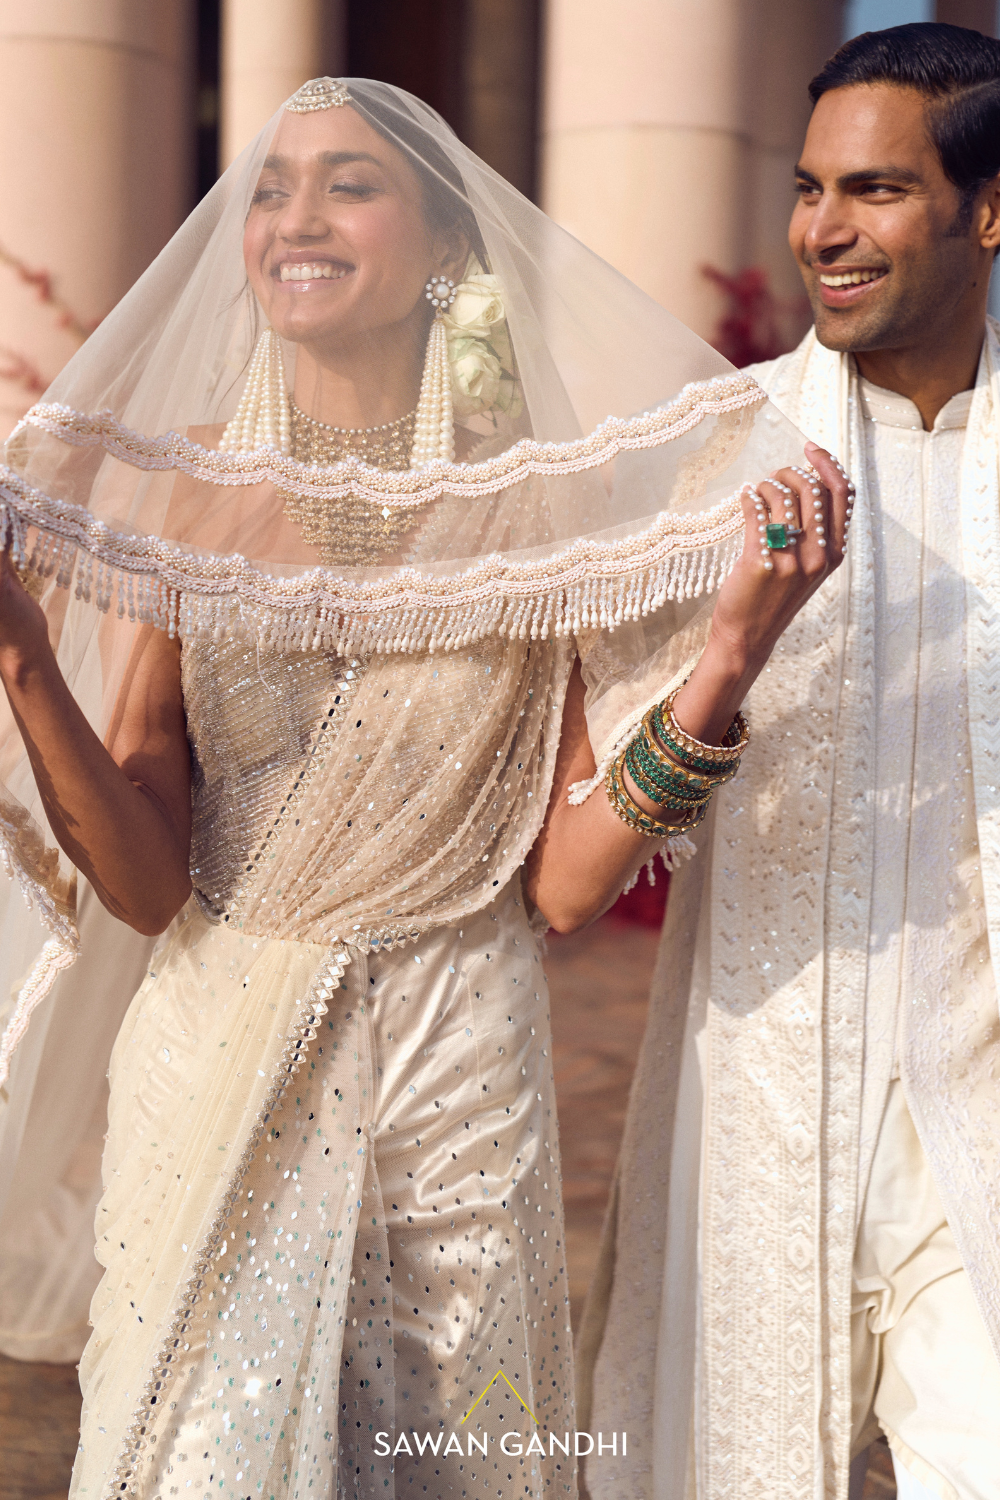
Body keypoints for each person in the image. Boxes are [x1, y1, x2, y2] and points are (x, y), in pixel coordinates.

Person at [0, 80, 846, 1499]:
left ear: (448, 248)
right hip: (215, 1052)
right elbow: (144, 883)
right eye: (271, 189)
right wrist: (25, 666)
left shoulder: (540, 512)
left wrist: (725, 662)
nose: (293, 220)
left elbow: (565, 884)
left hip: (456, 1071)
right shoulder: (190, 495)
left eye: (348, 184)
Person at [581, 21, 1000, 1500]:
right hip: (762, 1116)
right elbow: (583, 850)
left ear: (988, 208)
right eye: (811, 187)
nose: (822, 227)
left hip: (981, 1136)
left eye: (876, 191)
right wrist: (734, 655)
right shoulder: (719, 455)